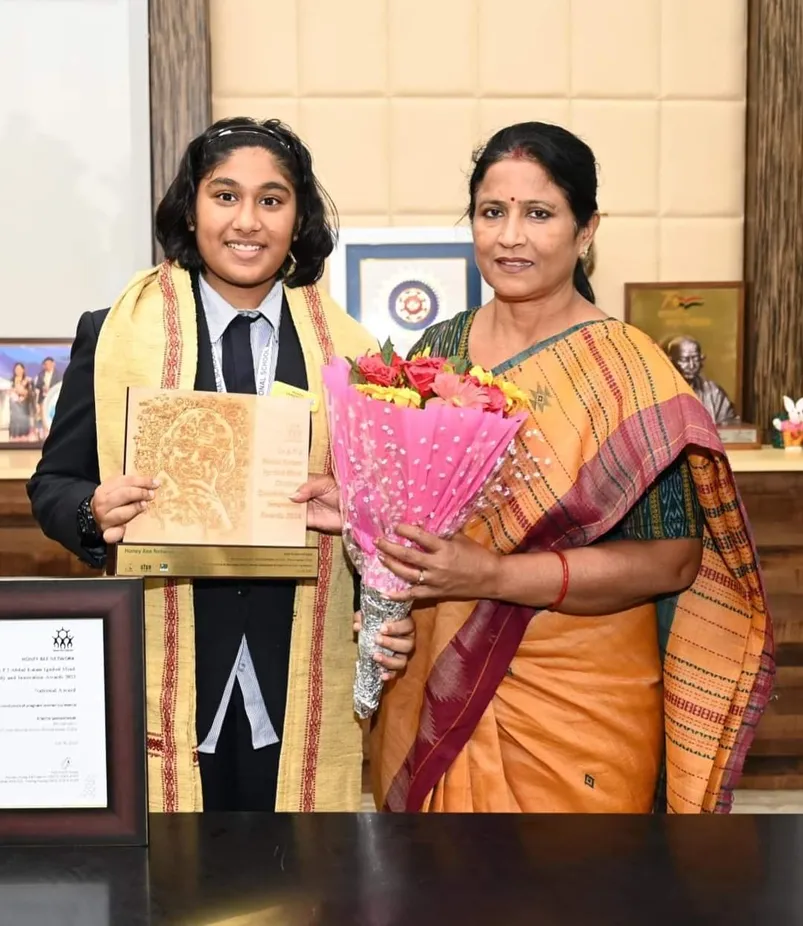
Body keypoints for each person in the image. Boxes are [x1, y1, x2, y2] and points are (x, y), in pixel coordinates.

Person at [298, 122, 773, 814]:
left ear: (586, 231)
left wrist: (492, 575)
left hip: (577, 701)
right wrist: (362, 515)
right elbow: (419, 512)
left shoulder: (629, 373)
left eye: (539, 214)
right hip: (435, 669)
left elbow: (671, 561)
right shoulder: (439, 350)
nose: (510, 237)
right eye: (492, 213)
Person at [27, 117, 415, 814]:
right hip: (165, 664)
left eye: (271, 200)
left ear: (298, 218)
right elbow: (54, 485)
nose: (248, 221)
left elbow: (385, 516)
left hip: (295, 666)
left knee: (302, 884)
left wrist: (357, 515)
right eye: (224, 195)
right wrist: (93, 512)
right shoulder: (113, 331)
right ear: (190, 207)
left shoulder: (355, 356)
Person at [664, 335, 739, 426]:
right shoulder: (657, 392)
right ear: (670, 361)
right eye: (685, 360)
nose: (691, 366)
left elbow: (729, 426)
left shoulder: (714, 392)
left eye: (695, 359)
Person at [8, 362, 33, 440]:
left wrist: (23, 392)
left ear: (23, 370)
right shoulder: (11, 381)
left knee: (23, 423)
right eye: (16, 369)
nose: (18, 371)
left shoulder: (28, 380)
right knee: (14, 422)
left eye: (19, 369)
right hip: (14, 407)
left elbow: (30, 393)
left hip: (24, 406)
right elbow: (9, 392)